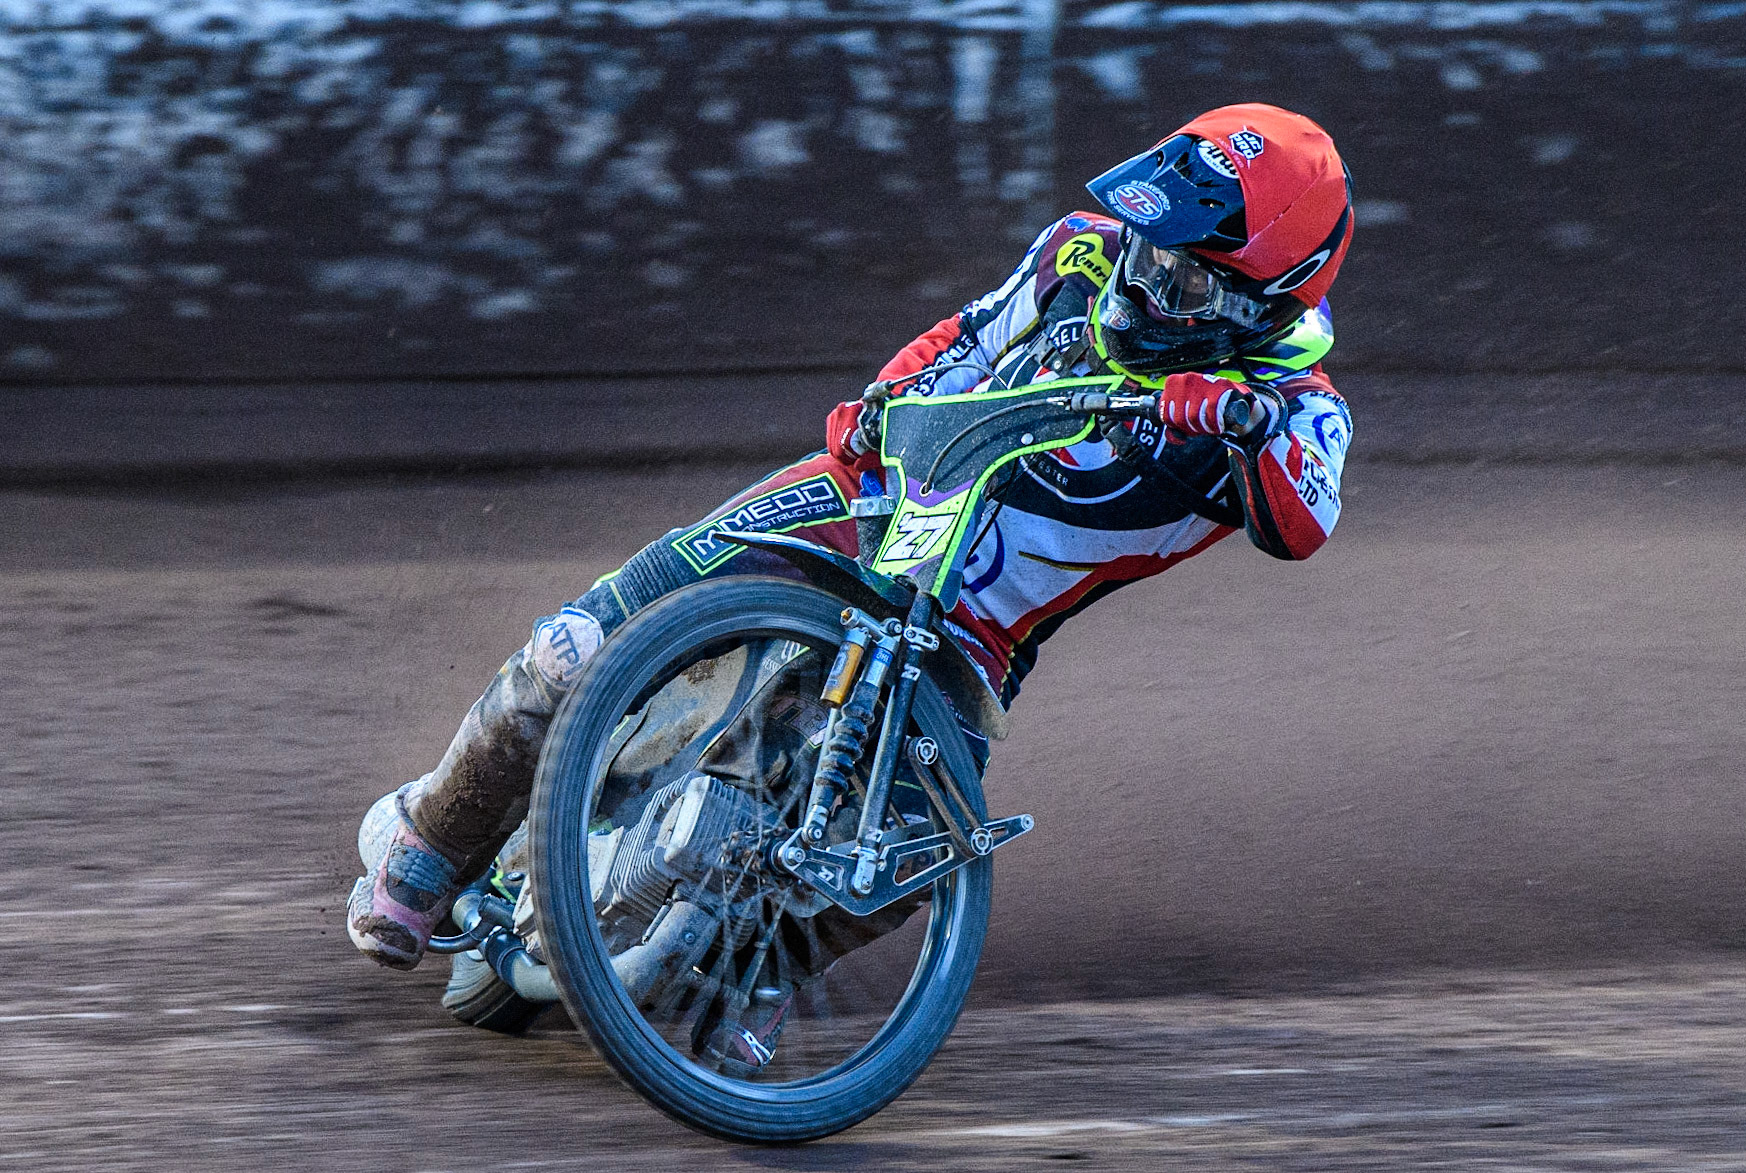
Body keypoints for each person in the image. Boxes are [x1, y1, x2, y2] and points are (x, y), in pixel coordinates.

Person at [347, 101, 1355, 1066]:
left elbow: (1303, 522)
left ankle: (760, 973)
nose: (1144, 283)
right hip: (864, 497)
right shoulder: (1076, 252)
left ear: (1264, 303)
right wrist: (882, 398)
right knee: (577, 644)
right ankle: (430, 845)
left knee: (920, 845)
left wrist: (1241, 418)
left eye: (1181, 281)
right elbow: (964, 337)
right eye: (1147, 250)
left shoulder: (1299, 411)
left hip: (969, 629)